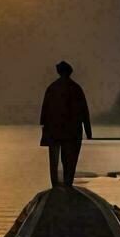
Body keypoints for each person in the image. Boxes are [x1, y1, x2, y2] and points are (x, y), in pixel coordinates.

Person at [40, 60, 92, 188]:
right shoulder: (76, 88)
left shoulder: (52, 88)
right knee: (70, 159)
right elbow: (84, 112)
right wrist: (88, 132)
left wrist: (45, 130)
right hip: (72, 132)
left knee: (54, 161)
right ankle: (68, 184)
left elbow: (43, 114)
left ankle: (55, 185)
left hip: (54, 131)